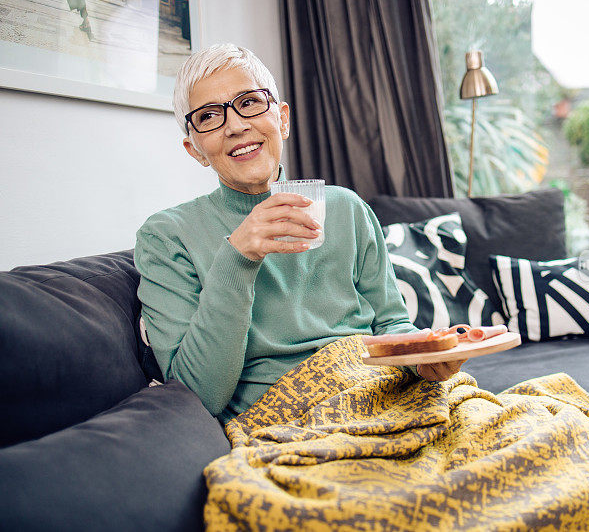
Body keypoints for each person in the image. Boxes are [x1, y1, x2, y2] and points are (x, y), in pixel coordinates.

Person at [135, 43, 465, 424]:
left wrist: (423, 362)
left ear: (283, 120)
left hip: (384, 393)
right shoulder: (166, 236)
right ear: (195, 150)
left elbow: (392, 326)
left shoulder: (346, 208)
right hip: (286, 421)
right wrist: (237, 257)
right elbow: (199, 396)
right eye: (209, 116)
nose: (236, 125)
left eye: (249, 102)